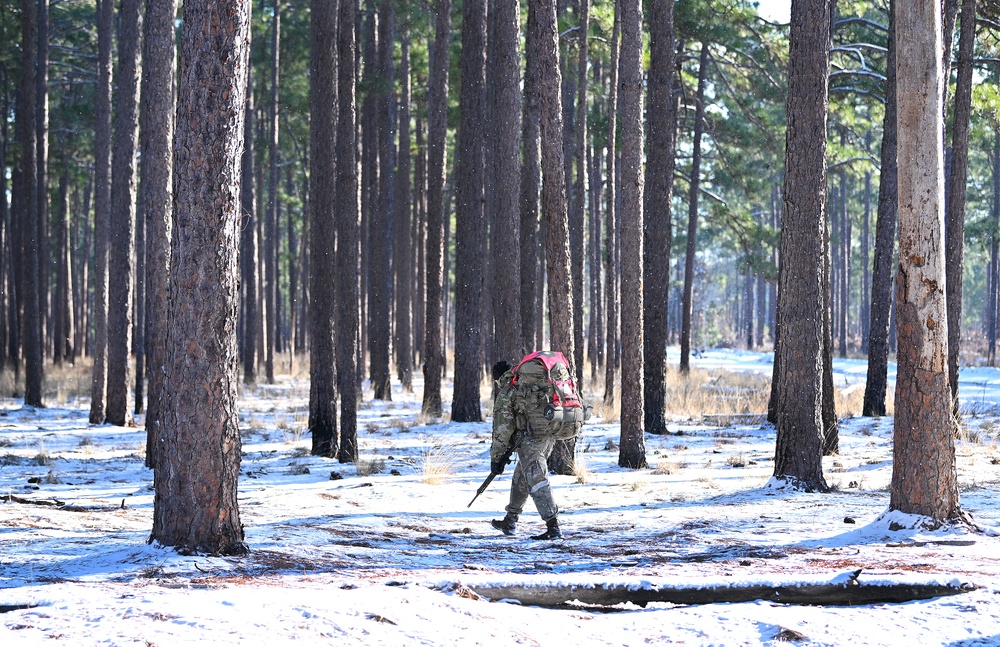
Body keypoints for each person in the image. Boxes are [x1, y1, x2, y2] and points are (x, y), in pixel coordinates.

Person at [488, 358, 563, 541]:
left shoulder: (508, 391)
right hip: (547, 434)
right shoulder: (526, 384)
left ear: (498, 379)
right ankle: (510, 520)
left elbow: (502, 430)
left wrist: (496, 458)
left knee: (537, 480)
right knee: (521, 476)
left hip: (530, 440)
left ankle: (553, 527)